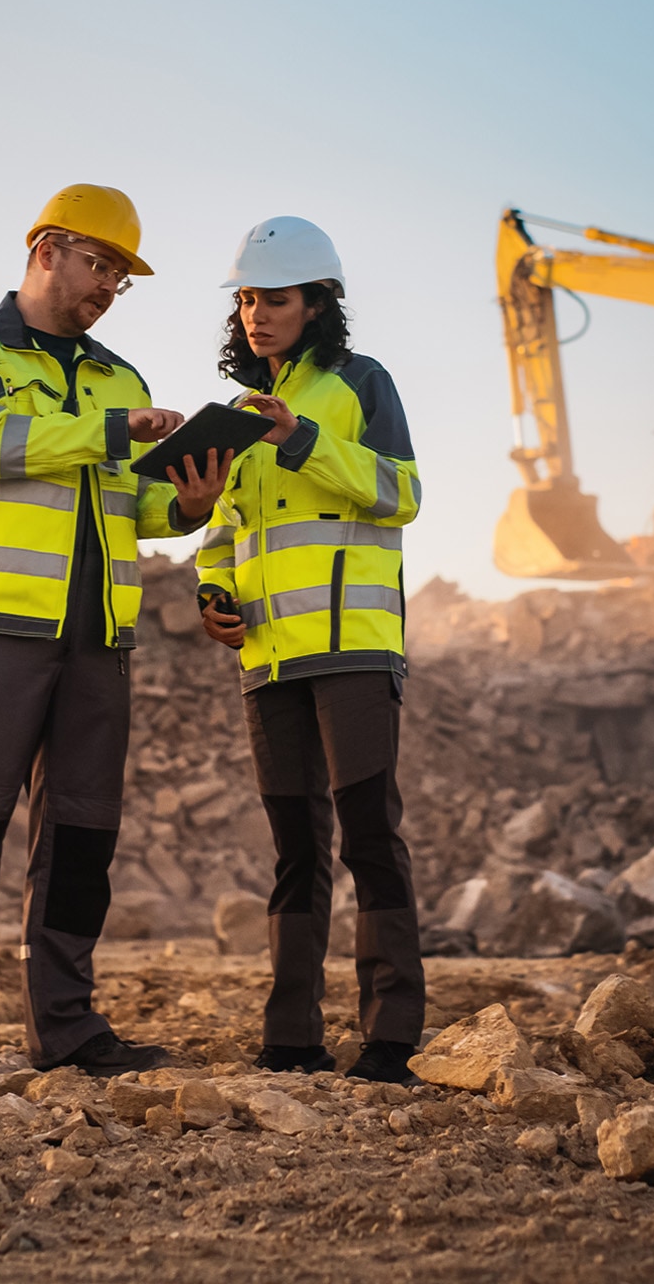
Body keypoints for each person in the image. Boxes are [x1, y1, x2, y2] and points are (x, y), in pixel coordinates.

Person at [0, 183, 229, 1085]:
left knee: (81, 838)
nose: (109, 285)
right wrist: (114, 432)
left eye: (121, 274)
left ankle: (67, 1030)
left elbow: (141, 501)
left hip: (98, 637)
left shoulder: (123, 376)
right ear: (47, 252)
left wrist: (186, 505)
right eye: (100, 265)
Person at [194, 216, 426, 1084]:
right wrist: (212, 591)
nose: (257, 314)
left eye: (275, 298)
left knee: (369, 837)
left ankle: (391, 1036)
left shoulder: (361, 385)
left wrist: (302, 439)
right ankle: (290, 1037)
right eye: (247, 299)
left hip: (355, 652)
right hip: (269, 662)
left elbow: (401, 493)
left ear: (317, 304)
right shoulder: (236, 415)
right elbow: (223, 532)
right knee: (296, 851)